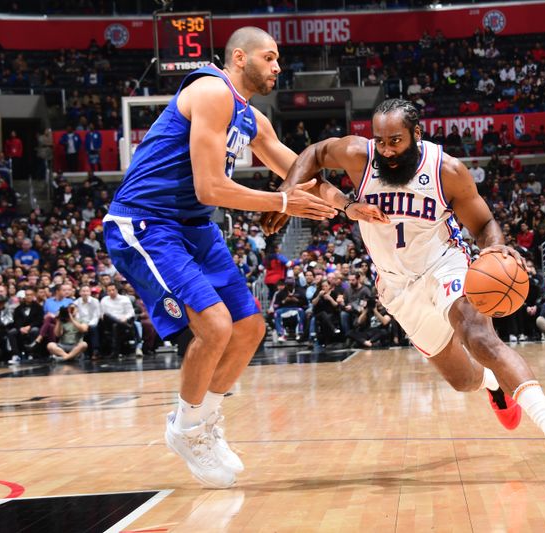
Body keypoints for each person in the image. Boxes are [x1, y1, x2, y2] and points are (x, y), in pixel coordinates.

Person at [265, 98, 545, 483]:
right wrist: (287, 190)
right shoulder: (360, 155)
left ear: (416, 134)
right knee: (463, 380)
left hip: (445, 266)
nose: (387, 150)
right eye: (381, 141)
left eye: (396, 140)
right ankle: (494, 386)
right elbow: (315, 152)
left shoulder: (447, 170)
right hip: (396, 286)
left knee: (480, 339)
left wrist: (493, 248)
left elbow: (485, 221)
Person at [103, 27, 374, 489]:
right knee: (215, 324)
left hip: (193, 227)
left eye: (278, 59)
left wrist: (351, 206)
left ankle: (202, 423)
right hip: (146, 224)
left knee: (250, 328)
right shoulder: (210, 91)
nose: (277, 67)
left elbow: (300, 170)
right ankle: (186, 428)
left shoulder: (250, 117)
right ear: (239, 56)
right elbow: (212, 188)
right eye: (269, 58)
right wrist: (282, 203)